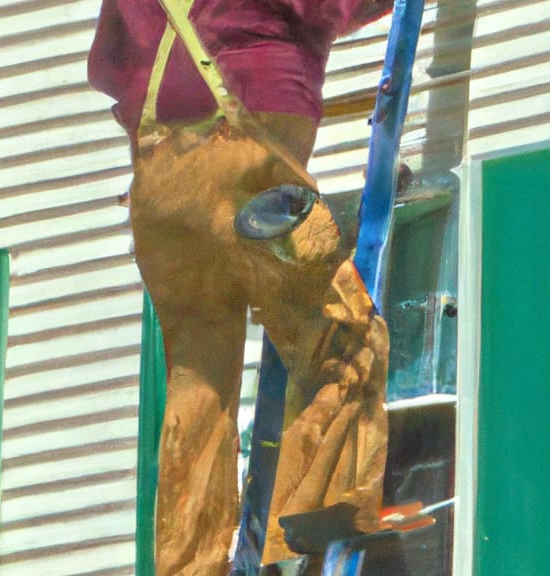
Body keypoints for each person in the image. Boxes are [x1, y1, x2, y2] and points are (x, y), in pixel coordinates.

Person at [88, 1, 395, 574]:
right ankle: (318, 506)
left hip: (159, 183)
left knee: (198, 379)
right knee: (340, 334)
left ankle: (189, 563)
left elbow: (105, 67)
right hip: (248, 156)